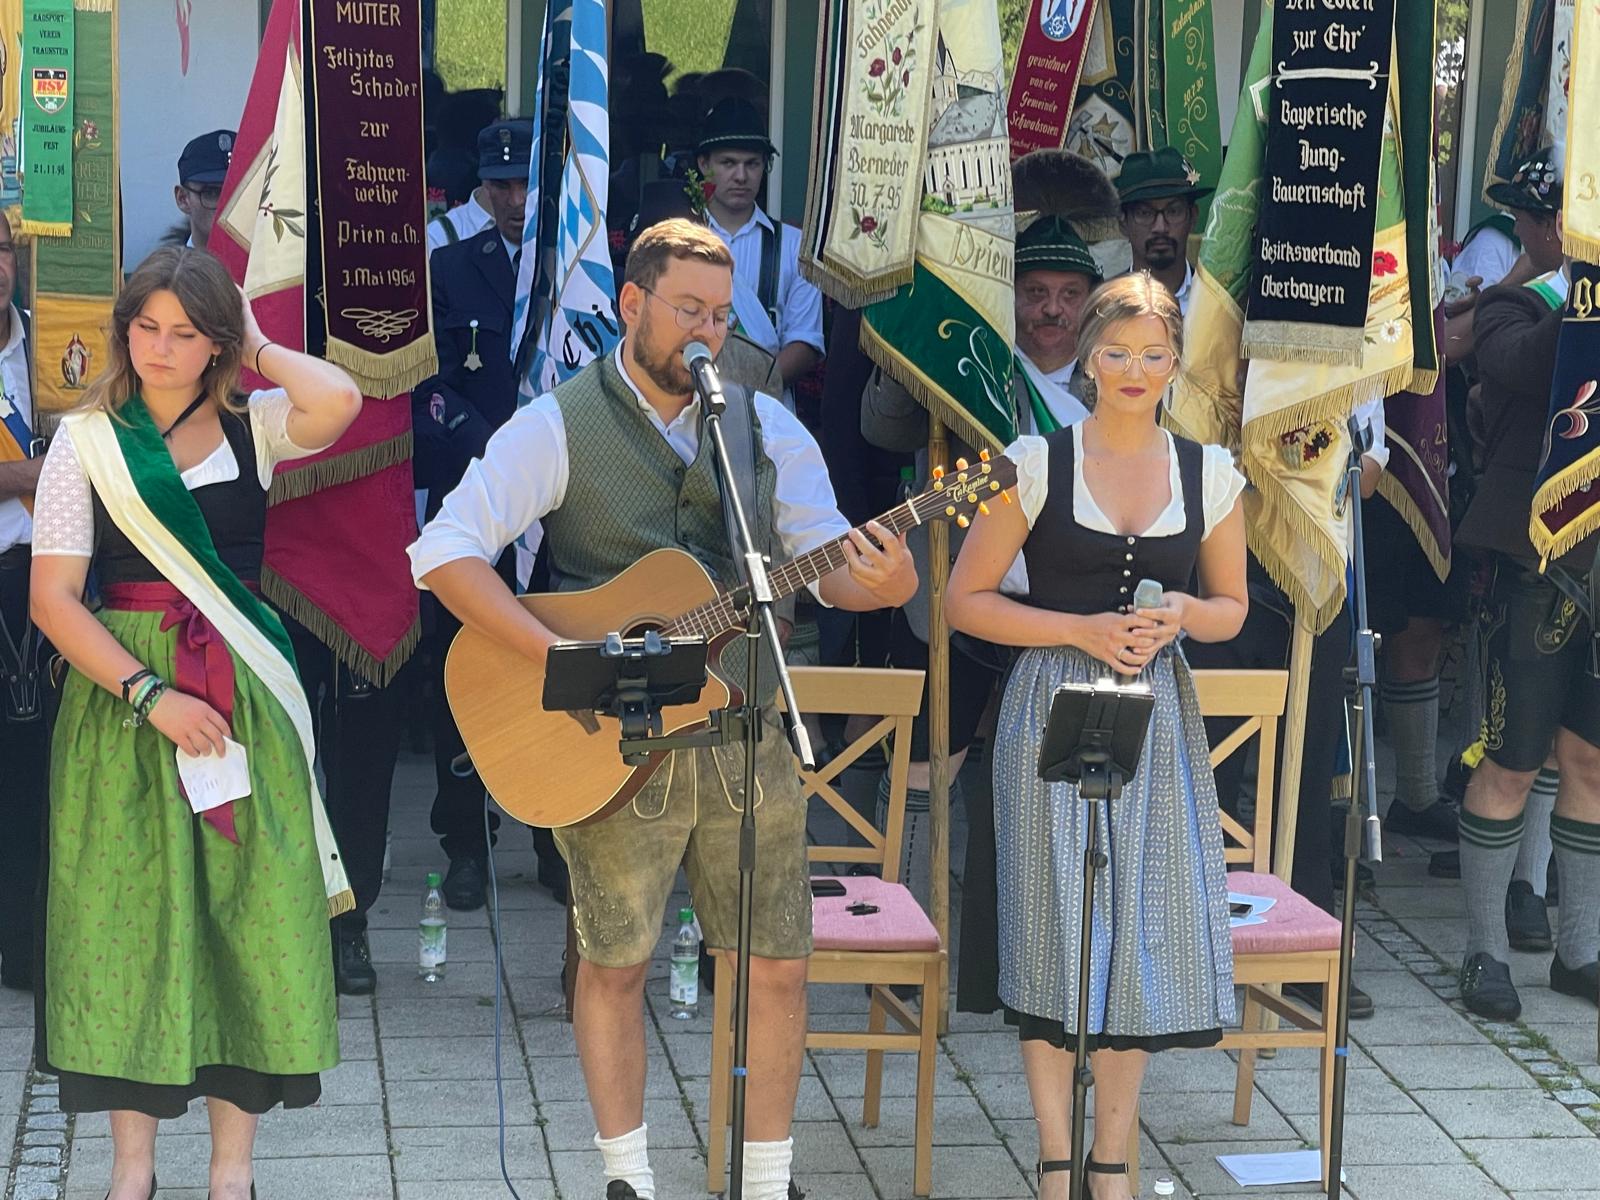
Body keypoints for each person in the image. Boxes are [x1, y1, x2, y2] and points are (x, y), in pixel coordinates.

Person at [410, 219, 915, 1200]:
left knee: (775, 962)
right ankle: (626, 1178)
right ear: (632, 304)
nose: (707, 333)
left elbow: (828, 562)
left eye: (721, 316)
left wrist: (884, 586)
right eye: (689, 310)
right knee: (613, 964)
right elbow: (444, 550)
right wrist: (559, 654)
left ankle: (764, 1182)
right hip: (613, 735)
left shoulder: (763, 425)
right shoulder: (557, 423)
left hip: (745, 731)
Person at [29, 246, 362, 1200]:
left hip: (241, 700)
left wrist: (257, 345)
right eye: (146, 327)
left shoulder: (257, 429)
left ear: (216, 342)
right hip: (124, 710)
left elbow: (340, 400)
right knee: (124, 925)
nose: (160, 348)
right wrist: (150, 695)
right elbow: (54, 600)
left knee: (245, 918)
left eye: (185, 332)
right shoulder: (86, 441)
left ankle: (232, 1174)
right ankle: (130, 1172)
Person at [946, 273, 1246, 1199]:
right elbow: (965, 600)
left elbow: (1233, 609)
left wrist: (1184, 613)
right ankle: (1052, 1157)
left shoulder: (1208, 472)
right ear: (1086, 356)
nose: (1134, 370)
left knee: (1139, 930)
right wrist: (1077, 629)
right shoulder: (1036, 461)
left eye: (1154, 355)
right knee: (1051, 927)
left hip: (1155, 717)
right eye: (1116, 353)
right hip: (1049, 707)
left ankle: (1111, 1160)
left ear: (1175, 363)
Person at [858, 213, 1102, 1011]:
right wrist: (910, 350)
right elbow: (878, 427)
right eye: (1034, 293)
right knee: (926, 768)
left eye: (1069, 294)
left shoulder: (1116, 378)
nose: (1051, 310)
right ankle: (900, 950)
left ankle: (1044, 966)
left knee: (1058, 778)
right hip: (955, 597)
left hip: (1065, 612)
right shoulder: (968, 362)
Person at [414, 116, 570, 911]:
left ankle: (555, 838)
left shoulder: (576, 270)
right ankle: (467, 843)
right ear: (481, 188)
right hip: (476, 498)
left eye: (526, 187)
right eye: (501, 186)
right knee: (464, 671)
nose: (514, 201)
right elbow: (428, 386)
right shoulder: (449, 267)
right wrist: (500, 452)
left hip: (563, 507)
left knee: (560, 667)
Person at [1453, 190, 1599, 1020]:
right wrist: (1587, 287)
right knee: (1511, 761)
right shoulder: (1515, 305)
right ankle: (1484, 950)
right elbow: (1525, 366)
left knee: (1591, 764)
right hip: (1535, 564)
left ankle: (1580, 951)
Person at [695, 97, 824, 404]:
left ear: (765, 166)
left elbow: (806, 343)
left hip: (769, 411)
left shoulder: (795, 247)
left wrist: (747, 396)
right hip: (689, 404)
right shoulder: (681, 241)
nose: (741, 176)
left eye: (752, 164)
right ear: (704, 164)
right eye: (728, 163)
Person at [0, 213, 45, 992]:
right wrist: (28, 474)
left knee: (33, 771)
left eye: (1, 249)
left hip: (35, 578)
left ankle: (27, 942)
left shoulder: (51, 343)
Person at [1114, 148, 1208, 315]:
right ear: (1123, 223)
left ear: (1193, 217)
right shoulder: (1106, 308)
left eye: (1173, 211)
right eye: (1145, 213)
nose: (1160, 227)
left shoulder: (1216, 305)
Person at [424, 121, 507, 254]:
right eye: (502, 183)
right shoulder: (439, 236)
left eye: (525, 183)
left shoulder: (538, 229)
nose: (517, 199)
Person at [164, 130, 236, 250]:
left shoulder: (269, 260)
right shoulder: (169, 262)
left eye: (238, 192)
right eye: (212, 193)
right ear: (182, 199)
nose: (228, 205)